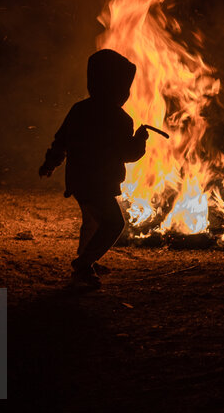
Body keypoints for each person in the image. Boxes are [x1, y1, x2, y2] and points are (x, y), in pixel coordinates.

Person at [39, 49, 152, 288]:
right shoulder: (120, 119)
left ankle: (87, 260)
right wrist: (140, 138)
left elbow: (62, 141)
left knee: (92, 221)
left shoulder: (79, 110)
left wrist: (50, 163)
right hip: (99, 184)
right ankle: (83, 265)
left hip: (79, 181)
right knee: (114, 224)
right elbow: (129, 154)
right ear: (118, 89)